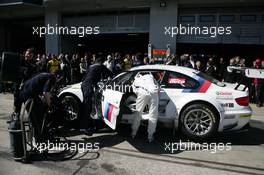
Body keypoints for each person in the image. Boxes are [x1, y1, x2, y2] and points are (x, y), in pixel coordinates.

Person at [18, 72, 56, 140]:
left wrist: (45, 100)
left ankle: (36, 136)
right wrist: (49, 104)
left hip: (23, 92)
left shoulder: (43, 74)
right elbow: (45, 92)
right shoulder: (52, 78)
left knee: (33, 117)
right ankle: (42, 137)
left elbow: (41, 91)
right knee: (38, 116)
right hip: (29, 95)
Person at [80, 55, 113, 135]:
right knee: (88, 108)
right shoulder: (100, 66)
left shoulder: (91, 66)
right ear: (101, 62)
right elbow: (110, 73)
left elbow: (87, 76)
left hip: (84, 85)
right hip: (88, 87)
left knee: (88, 107)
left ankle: (87, 126)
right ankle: (85, 128)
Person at [131, 72, 159, 143]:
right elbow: (158, 87)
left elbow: (135, 91)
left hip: (142, 92)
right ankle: (150, 136)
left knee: (138, 113)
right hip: (153, 92)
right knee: (153, 115)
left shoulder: (136, 79)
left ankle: (133, 133)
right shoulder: (151, 76)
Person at [13, 48, 37, 117]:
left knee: (29, 105)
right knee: (17, 103)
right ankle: (16, 117)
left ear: (33, 56)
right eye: (28, 53)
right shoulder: (19, 61)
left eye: (30, 54)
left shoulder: (34, 65)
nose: (29, 55)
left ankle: (31, 119)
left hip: (27, 88)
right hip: (18, 86)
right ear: (25, 53)